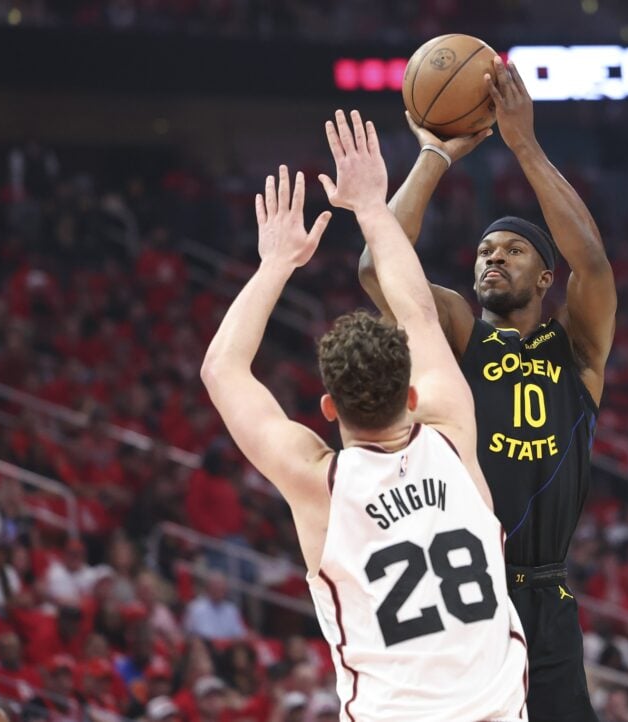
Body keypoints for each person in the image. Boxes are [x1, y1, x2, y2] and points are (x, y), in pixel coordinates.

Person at [201, 110, 527, 721]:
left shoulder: (317, 483)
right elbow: (418, 315)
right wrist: (372, 207)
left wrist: (276, 262)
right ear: (412, 395)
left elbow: (222, 370)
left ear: (327, 409)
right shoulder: (453, 433)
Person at [358, 55, 616, 722]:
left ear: (543, 280)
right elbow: (374, 265)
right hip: (470, 591)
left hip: (549, 594)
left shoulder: (578, 348)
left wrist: (522, 141)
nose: (493, 256)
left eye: (513, 251)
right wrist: (435, 156)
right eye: (484, 250)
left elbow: (589, 257)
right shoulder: (457, 336)